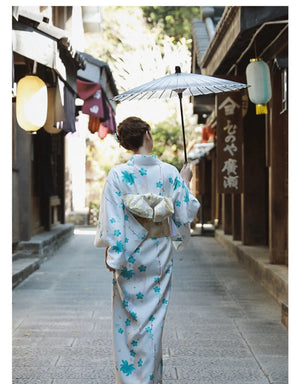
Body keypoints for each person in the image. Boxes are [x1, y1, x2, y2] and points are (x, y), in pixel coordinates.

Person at [94, 116, 200, 384]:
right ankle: (150, 379)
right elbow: (186, 212)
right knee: (153, 323)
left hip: (129, 256)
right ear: (147, 135)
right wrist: (185, 180)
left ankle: (130, 379)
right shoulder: (169, 172)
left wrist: (114, 256)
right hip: (158, 256)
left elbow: (113, 220)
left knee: (127, 321)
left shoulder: (118, 175)